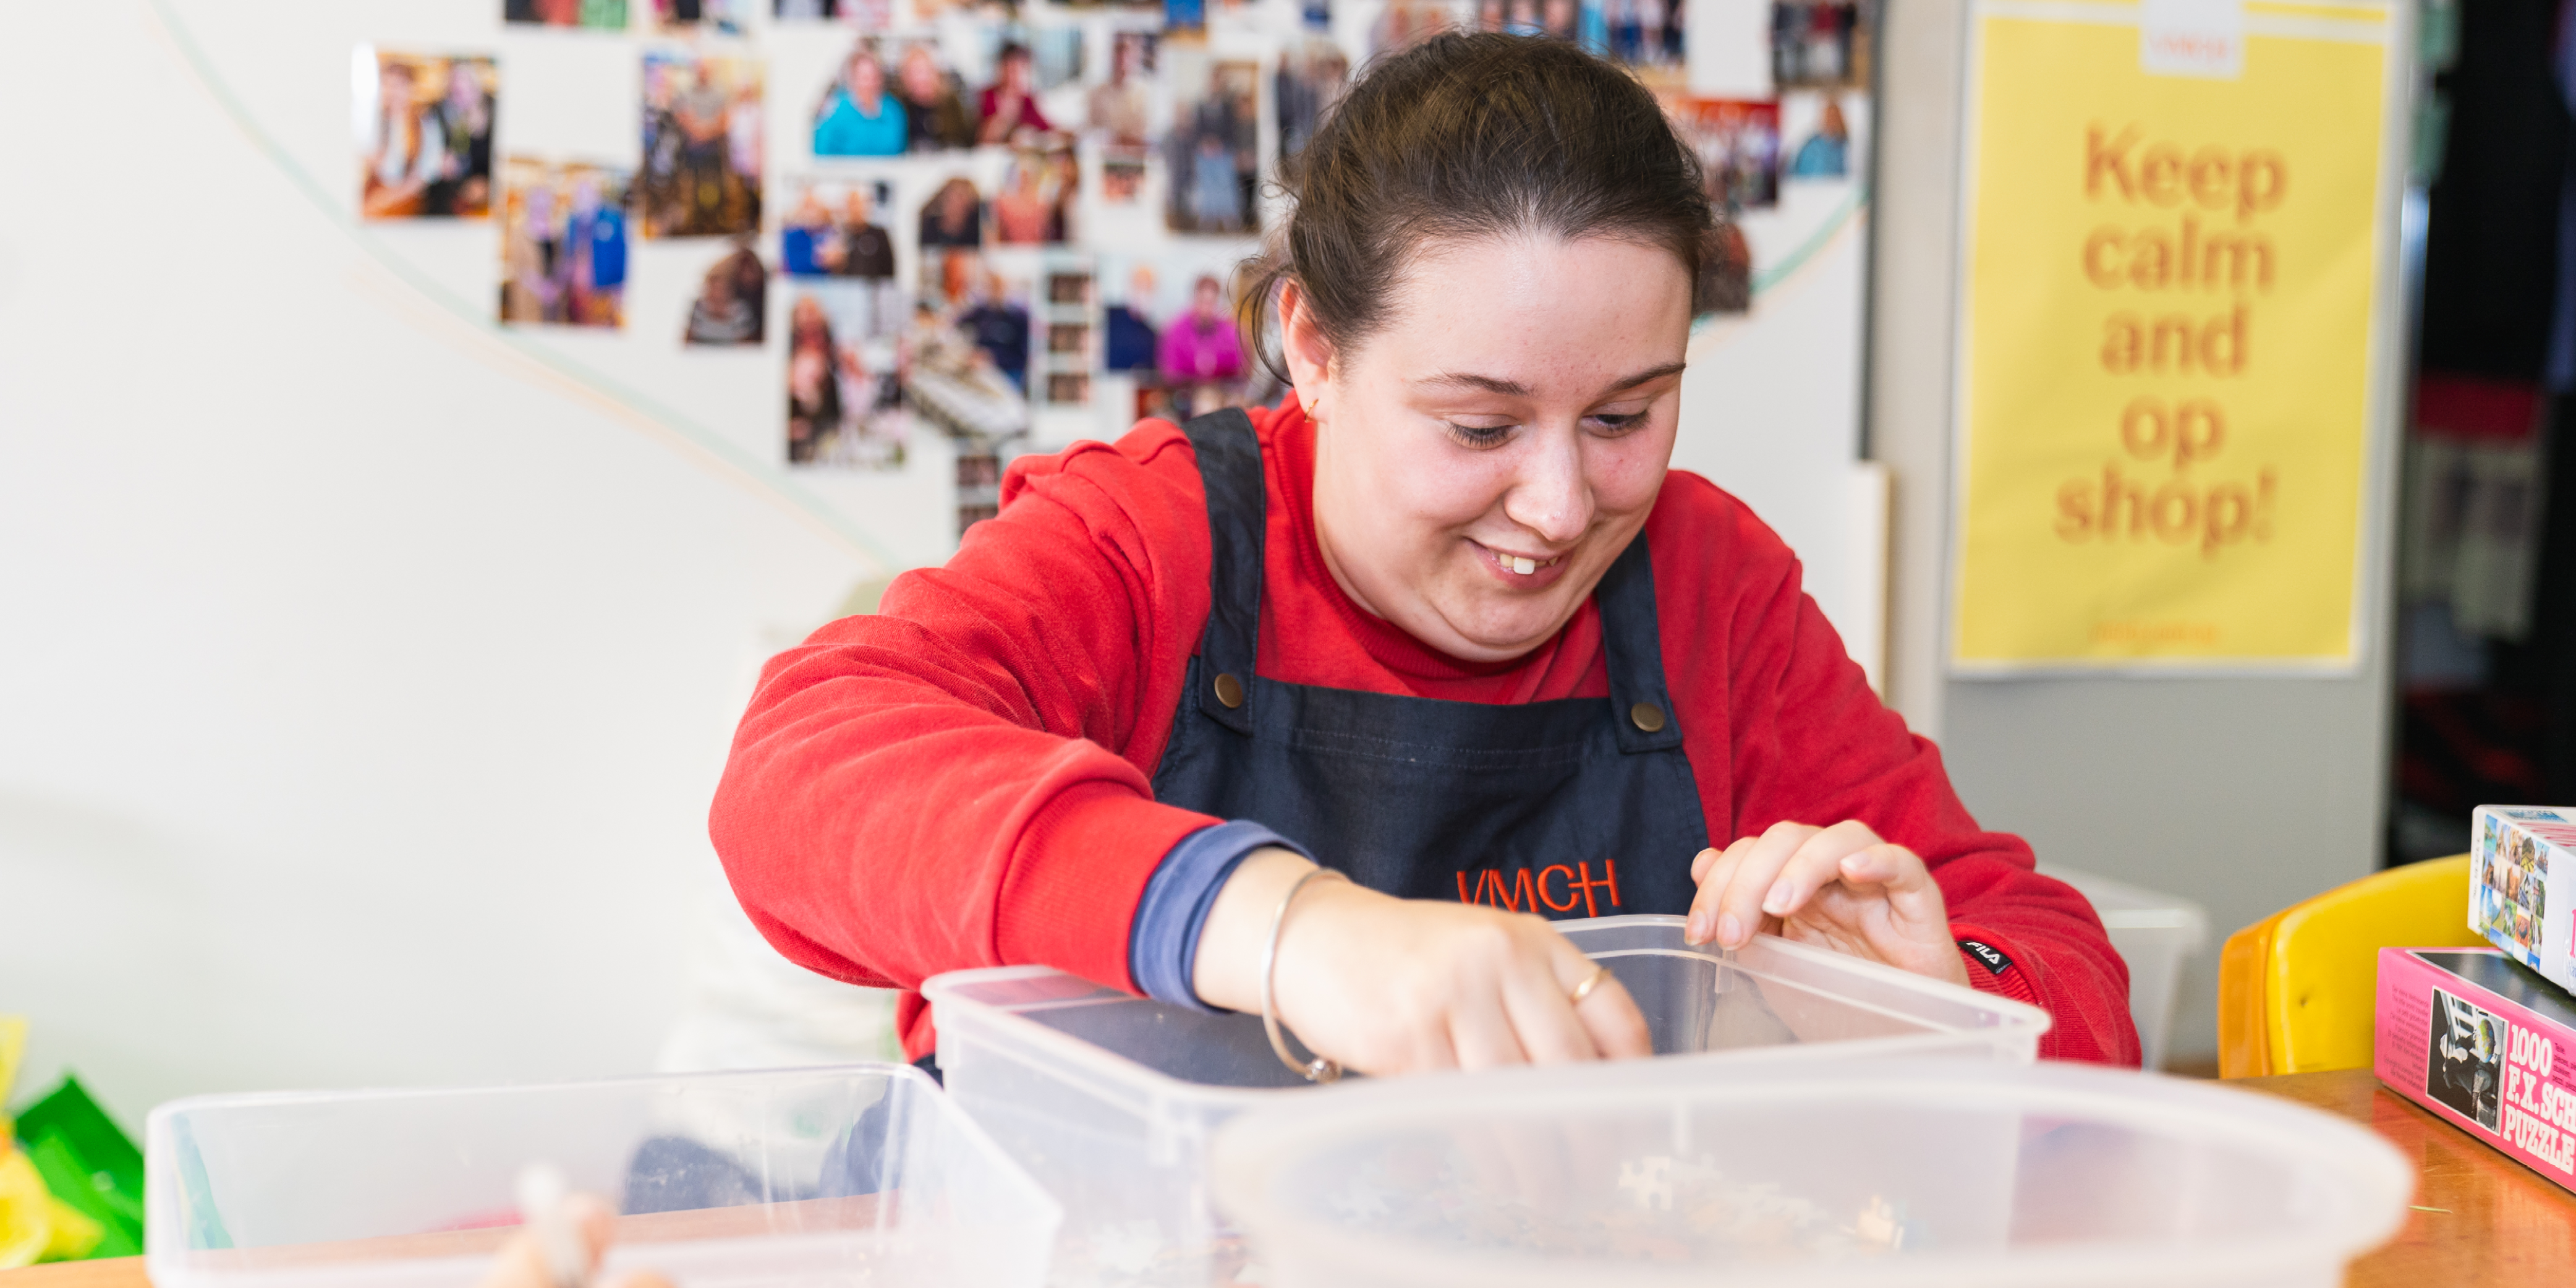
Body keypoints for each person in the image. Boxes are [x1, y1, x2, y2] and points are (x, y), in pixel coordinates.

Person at [711, 34, 2138, 1079]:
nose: (1562, 506)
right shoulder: (1150, 540)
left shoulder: (1710, 589)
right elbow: (800, 771)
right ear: (1313, 350)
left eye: (1626, 415)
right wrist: (1285, 927)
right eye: (1479, 423)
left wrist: (1939, 1000)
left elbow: (2063, 969)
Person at [361, 60, 443, 220]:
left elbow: (427, 172)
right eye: (387, 85)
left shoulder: (425, 121)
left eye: (398, 85)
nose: (392, 92)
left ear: (411, 88)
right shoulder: (376, 120)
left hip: (409, 201)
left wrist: (388, 198)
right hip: (376, 192)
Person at [420, 60, 493, 217]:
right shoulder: (438, 112)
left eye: (466, 88)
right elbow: (427, 155)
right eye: (454, 92)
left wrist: (488, 184)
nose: (460, 97)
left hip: (487, 190)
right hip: (450, 191)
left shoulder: (494, 110)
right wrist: (438, 160)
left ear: (476, 87)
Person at [814, 46, 908, 158]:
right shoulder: (834, 110)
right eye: (864, 78)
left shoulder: (893, 110)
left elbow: (901, 152)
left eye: (874, 77)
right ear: (853, 79)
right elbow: (822, 152)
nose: (870, 84)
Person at [896, 45, 976, 150]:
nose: (919, 78)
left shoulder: (951, 103)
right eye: (913, 72)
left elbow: (966, 140)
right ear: (905, 77)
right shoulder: (900, 105)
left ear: (934, 72)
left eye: (923, 71)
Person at [976, 43, 1055, 145]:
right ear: (1000, 68)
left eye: (1018, 70)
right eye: (1009, 69)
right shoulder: (986, 97)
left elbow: (1048, 129)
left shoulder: (1028, 101)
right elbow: (981, 139)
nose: (1013, 76)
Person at [1089, 33, 1153, 147]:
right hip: (1106, 155)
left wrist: (1124, 138)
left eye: (1127, 55)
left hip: (1134, 155)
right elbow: (1092, 130)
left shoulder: (1143, 93)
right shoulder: (1097, 93)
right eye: (1118, 55)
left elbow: (1145, 133)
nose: (1122, 61)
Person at [1104, 266, 1160, 372]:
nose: (1142, 294)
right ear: (1130, 286)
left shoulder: (1152, 335)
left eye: (1147, 289)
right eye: (1138, 286)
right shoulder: (1109, 316)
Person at [1790, 98, 1850, 178]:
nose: (1832, 121)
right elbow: (1794, 171)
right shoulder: (1811, 145)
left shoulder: (1844, 147)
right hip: (1808, 188)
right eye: (1829, 116)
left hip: (1837, 188)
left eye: (1835, 117)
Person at [917, 176, 983, 248]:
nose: (956, 201)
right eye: (952, 196)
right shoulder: (930, 224)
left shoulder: (976, 228)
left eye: (962, 197)